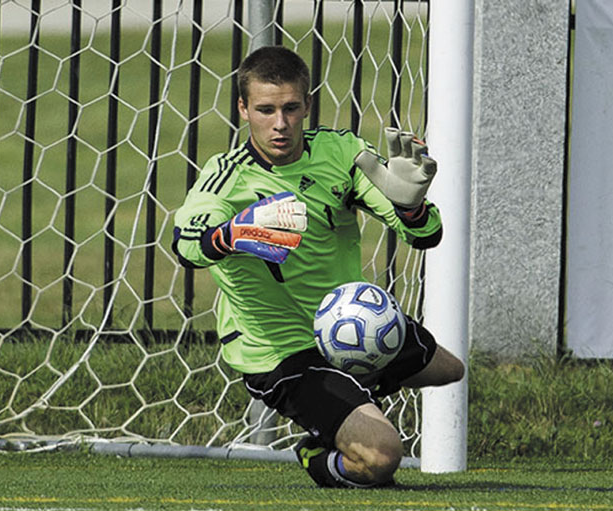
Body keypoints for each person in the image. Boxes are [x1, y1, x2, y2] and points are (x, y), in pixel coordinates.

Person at [172, 45, 464, 488]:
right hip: (279, 350)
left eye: (291, 108)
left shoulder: (341, 155)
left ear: (307, 104)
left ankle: (350, 394)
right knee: (381, 458)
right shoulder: (227, 179)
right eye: (265, 110)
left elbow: (426, 237)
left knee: (449, 369)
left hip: (345, 326)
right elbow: (186, 244)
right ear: (243, 108)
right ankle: (317, 453)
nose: (280, 123)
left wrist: (412, 208)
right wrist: (229, 234)